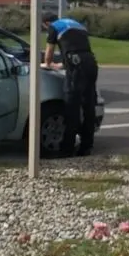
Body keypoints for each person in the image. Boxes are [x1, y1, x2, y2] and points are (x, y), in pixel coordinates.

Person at [41, 12, 99, 157]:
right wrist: (63, 64)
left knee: (71, 107)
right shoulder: (76, 24)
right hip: (90, 63)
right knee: (88, 106)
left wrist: (47, 63)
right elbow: (78, 48)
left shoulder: (54, 27)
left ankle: (67, 148)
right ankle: (87, 146)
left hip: (76, 68)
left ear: (46, 23)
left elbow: (49, 52)